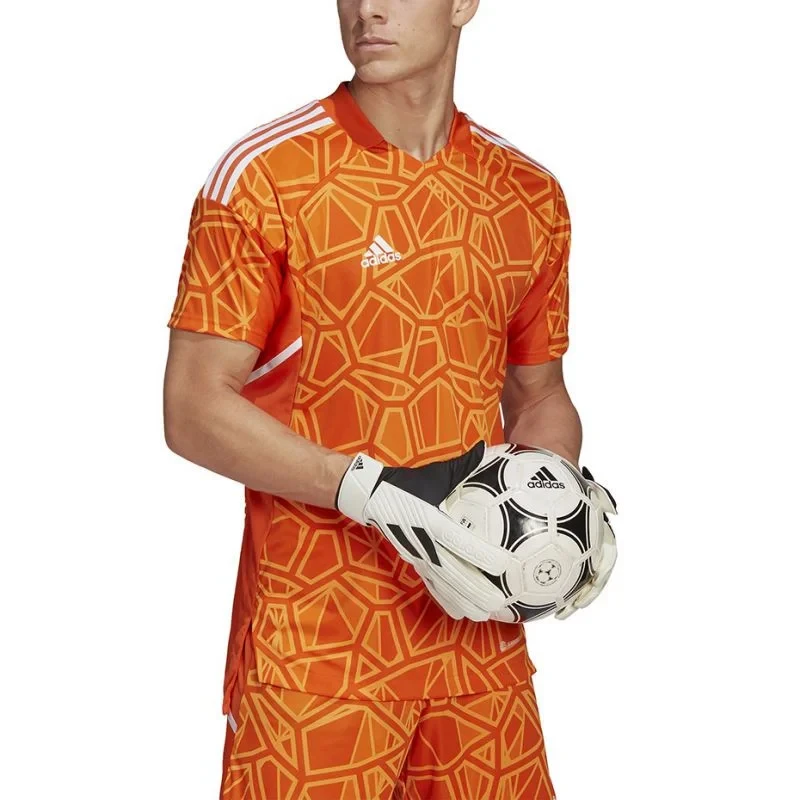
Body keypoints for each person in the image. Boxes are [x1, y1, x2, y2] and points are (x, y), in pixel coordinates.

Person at [164, 1, 585, 797]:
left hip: (480, 648)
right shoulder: (266, 175)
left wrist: (552, 504)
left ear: (463, 3)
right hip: (315, 657)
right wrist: (370, 490)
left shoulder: (527, 194)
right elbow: (192, 409)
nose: (367, 8)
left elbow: (541, 393)